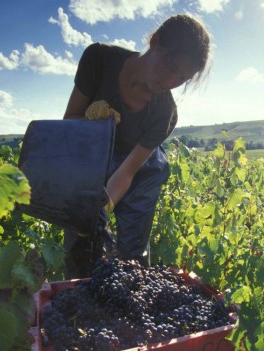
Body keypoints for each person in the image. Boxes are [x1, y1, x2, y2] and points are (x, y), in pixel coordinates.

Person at [63, 14, 211, 277]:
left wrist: (102, 207)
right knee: (82, 247)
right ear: (155, 42)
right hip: (93, 158)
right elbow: (69, 122)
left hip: (140, 171)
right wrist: (88, 121)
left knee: (132, 255)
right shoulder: (99, 60)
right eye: (172, 66)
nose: (172, 82)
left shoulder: (165, 113)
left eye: (183, 78)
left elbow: (127, 172)